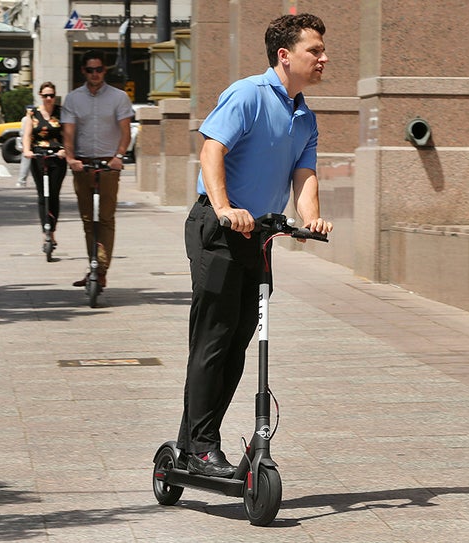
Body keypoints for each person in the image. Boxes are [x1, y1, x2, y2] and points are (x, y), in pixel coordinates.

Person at [177, 13, 333, 478]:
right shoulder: (248, 93)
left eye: (323, 51)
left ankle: (192, 443)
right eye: (315, 51)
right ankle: (202, 447)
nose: (324, 58)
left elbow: (304, 174)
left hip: (257, 237)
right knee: (214, 340)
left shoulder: (304, 114)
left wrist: (311, 220)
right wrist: (225, 207)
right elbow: (211, 149)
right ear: (285, 56)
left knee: (238, 342)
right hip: (219, 228)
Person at [61, 50, 133, 289]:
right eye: (90, 70)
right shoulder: (72, 99)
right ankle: (93, 264)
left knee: (105, 218)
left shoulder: (119, 97)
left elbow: (125, 131)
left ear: (105, 70)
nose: (95, 74)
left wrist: (119, 156)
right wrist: (71, 159)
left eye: (99, 69)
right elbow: (68, 133)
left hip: (108, 164)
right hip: (82, 164)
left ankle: (100, 270)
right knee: (87, 219)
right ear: (83, 71)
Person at [22, 82, 67, 248]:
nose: (49, 99)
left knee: (53, 194)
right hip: (38, 156)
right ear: (40, 96)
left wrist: (65, 151)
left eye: (51, 95)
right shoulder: (32, 114)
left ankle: (52, 231)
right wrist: (27, 150)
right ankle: (45, 232)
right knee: (43, 195)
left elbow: (69, 135)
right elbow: (27, 135)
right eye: (45, 95)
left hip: (57, 156)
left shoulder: (62, 113)